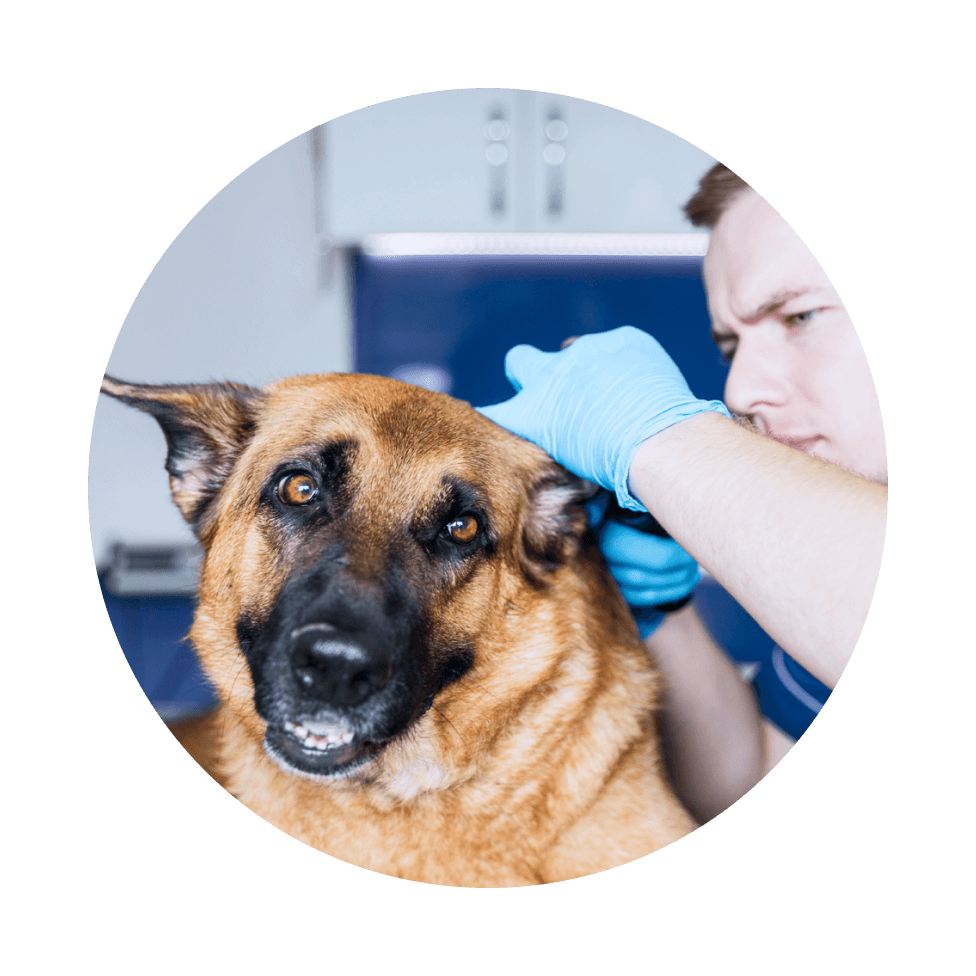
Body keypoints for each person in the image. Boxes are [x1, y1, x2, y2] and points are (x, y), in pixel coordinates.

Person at [478, 164, 886, 824]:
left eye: (800, 315)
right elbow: (751, 772)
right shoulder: (832, 576)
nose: (741, 389)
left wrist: (656, 435)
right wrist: (662, 612)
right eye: (730, 346)